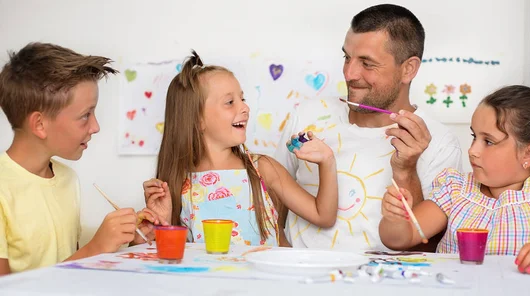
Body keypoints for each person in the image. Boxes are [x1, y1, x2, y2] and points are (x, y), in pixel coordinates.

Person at [274, 4, 462, 250]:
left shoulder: (440, 143)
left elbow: (425, 248)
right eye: (347, 57)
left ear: (408, 69)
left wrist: (406, 170)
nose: (350, 74)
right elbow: (271, 201)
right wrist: (282, 254)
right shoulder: (307, 115)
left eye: (367, 63)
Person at [380, 85, 530, 274]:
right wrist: (395, 219)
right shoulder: (456, 190)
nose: (473, 150)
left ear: (529, 155)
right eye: (475, 136)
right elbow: (402, 238)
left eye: (489, 141)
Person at [142, 50, 338, 247]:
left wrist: (326, 161)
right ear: (197, 119)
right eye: (230, 102)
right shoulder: (177, 182)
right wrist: (162, 223)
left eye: (242, 99)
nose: (245, 108)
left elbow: (324, 216)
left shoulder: (263, 169)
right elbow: (168, 256)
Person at [0, 42, 163, 275]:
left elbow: (68, 264)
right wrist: (96, 247)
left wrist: (125, 237)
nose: (95, 127)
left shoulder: (67, 178)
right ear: (40, 124)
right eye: (85, 115)